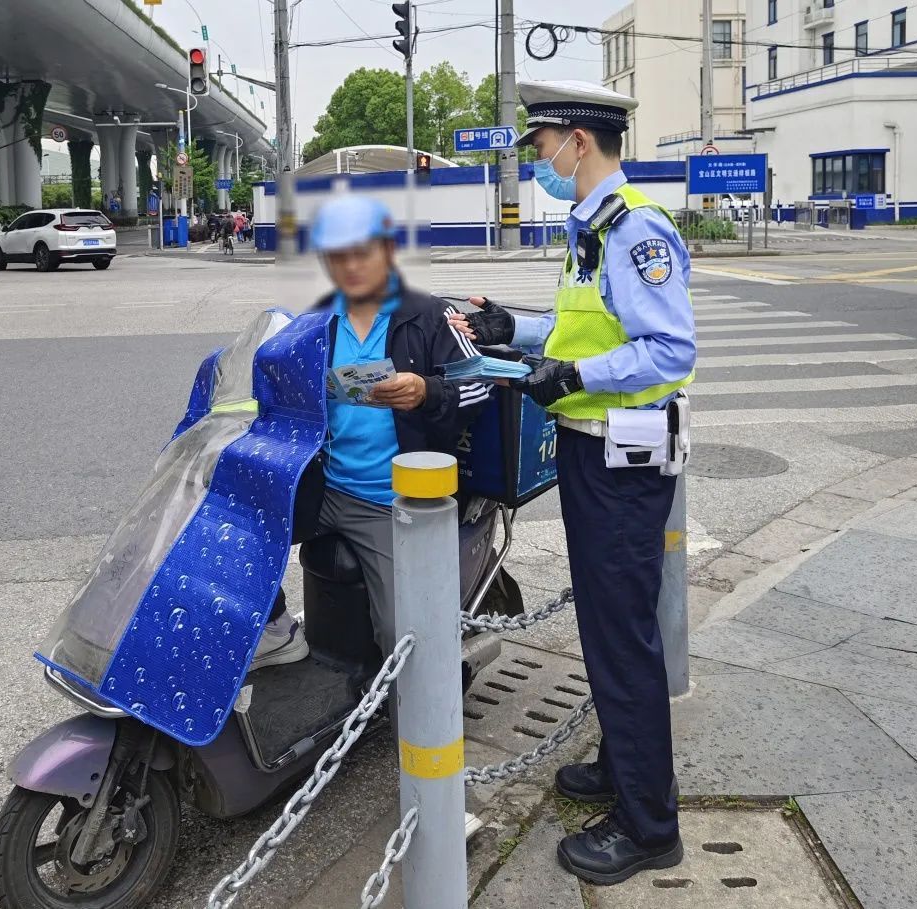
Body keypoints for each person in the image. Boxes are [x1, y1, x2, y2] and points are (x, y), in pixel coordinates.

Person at [449, 80, 696, 886]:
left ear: (578, 142)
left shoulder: (635, 230)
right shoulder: (591, 229)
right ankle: (625, 766)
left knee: (623, 637)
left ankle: (648, 825)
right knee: (606, 625)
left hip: (624, 462)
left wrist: (574, 375)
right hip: (593, 455)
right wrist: (513, 330)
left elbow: (669, 349)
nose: (538, 159)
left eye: (541, 143)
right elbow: (582, 331)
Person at [251, 194, 489, 669]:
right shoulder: (315, 323)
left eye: (362, 252)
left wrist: (426, 391)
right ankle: (276, 628)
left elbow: (480, 385)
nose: (351, 266)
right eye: (338, 255)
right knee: (230, 522)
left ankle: (424, 711)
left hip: (390, 499)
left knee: (407, 642)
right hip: (323, 487)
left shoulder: (430, 315)